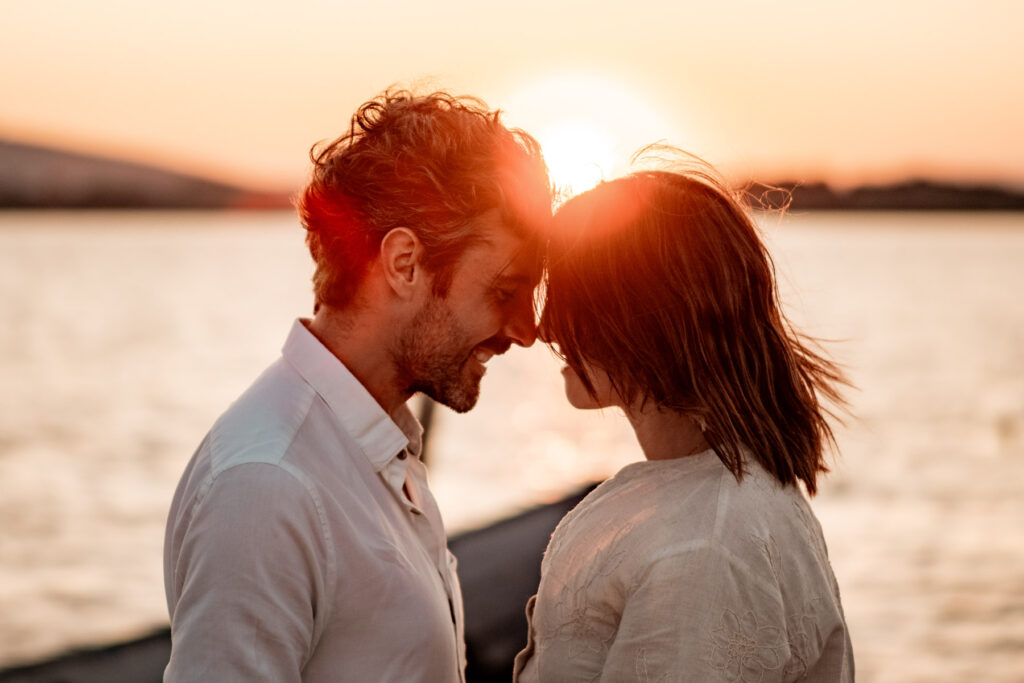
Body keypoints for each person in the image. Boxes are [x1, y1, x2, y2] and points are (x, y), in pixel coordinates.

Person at [163, 89, 551, 682]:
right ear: (404, 264)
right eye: (504, 292)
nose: (526, 331)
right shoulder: (266, 487)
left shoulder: (376, 447)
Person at [514, 160, 854, 682]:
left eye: (567, 301)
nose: (543, 329)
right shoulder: (716, 503)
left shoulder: (703, 546)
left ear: (633, 318)